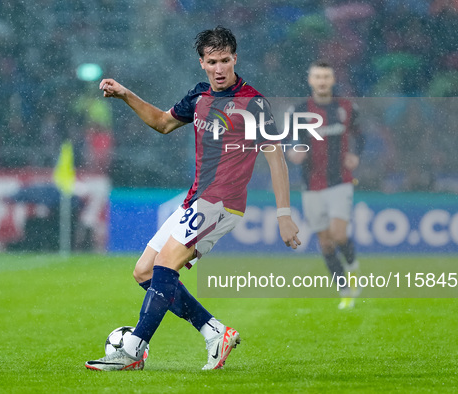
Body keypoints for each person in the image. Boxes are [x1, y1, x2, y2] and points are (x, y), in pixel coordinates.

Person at [86, 26, 301, 371]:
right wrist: (126, 94)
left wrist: (284, 214)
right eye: (212, 61)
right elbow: (162, 122)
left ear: (235, 59)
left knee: (164, 267)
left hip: (221, 202)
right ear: (202, 62)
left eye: (225, 60)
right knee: (144, 272)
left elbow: (275, 156)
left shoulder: (252, 102)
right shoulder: (199, 97)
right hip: (195, 200)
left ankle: (133, 349)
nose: (219, 69)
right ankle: (215, 332)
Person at [286, 61, 365, 310]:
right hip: (311, 184)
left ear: (332, 80)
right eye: (317, 77)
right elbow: (290, 140)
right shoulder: (299, 110)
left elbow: (360, 134)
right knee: (326, 242)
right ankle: (344, 290)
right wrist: (293, 151)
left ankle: (353, 270)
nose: (321, 81)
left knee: (339, 233)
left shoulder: (345, 107)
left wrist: (356, 154)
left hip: (339, 181)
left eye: (326, 77)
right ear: (310, 80)